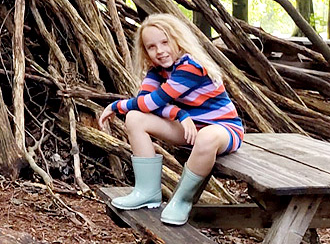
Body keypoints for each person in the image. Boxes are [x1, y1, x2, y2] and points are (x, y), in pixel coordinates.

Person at [97, 13, 245, 226]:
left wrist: (115, 106)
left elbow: (153, 102)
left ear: (178, 40)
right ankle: (147, 191)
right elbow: (144, 103)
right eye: (151, 47)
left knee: (206, 136)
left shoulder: (191, 66)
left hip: (223, 129)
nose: (160, 51)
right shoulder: (158, 71)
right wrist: (179, 114)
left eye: (165, 42)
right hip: (189, 128)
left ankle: (181, 201)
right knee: (135, 118)